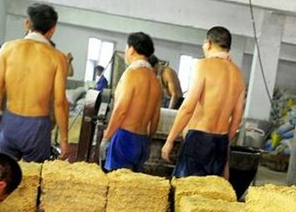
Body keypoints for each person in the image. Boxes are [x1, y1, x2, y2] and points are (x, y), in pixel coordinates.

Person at [0, 3, 69, 162]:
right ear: (53, 30)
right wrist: (64, 140)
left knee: (6, 171)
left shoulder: (7, 48)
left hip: (10, 122)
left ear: (27, 24)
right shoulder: (57, 58)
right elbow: (60, 103)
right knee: (33, 174)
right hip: (37, 126)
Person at [161, 26, 245, 177]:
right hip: (220, 141)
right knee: (209, 190)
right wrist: (225, 143)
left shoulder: (204, 65)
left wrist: (170, 140)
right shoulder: (238, 74)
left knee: (187, 188)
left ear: (208, 43)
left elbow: (188, 107)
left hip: (199, 140)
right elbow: (237, 118)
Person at [101, 32, 162, 172]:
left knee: (117, 182)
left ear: (132, 49)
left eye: (126, 47)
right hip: (142, 140)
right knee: (133, 183)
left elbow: (121, 110)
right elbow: (155, 116)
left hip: (125, 138)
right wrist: (148, 140)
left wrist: (106, 137)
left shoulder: (132, 74)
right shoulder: (155, 81)